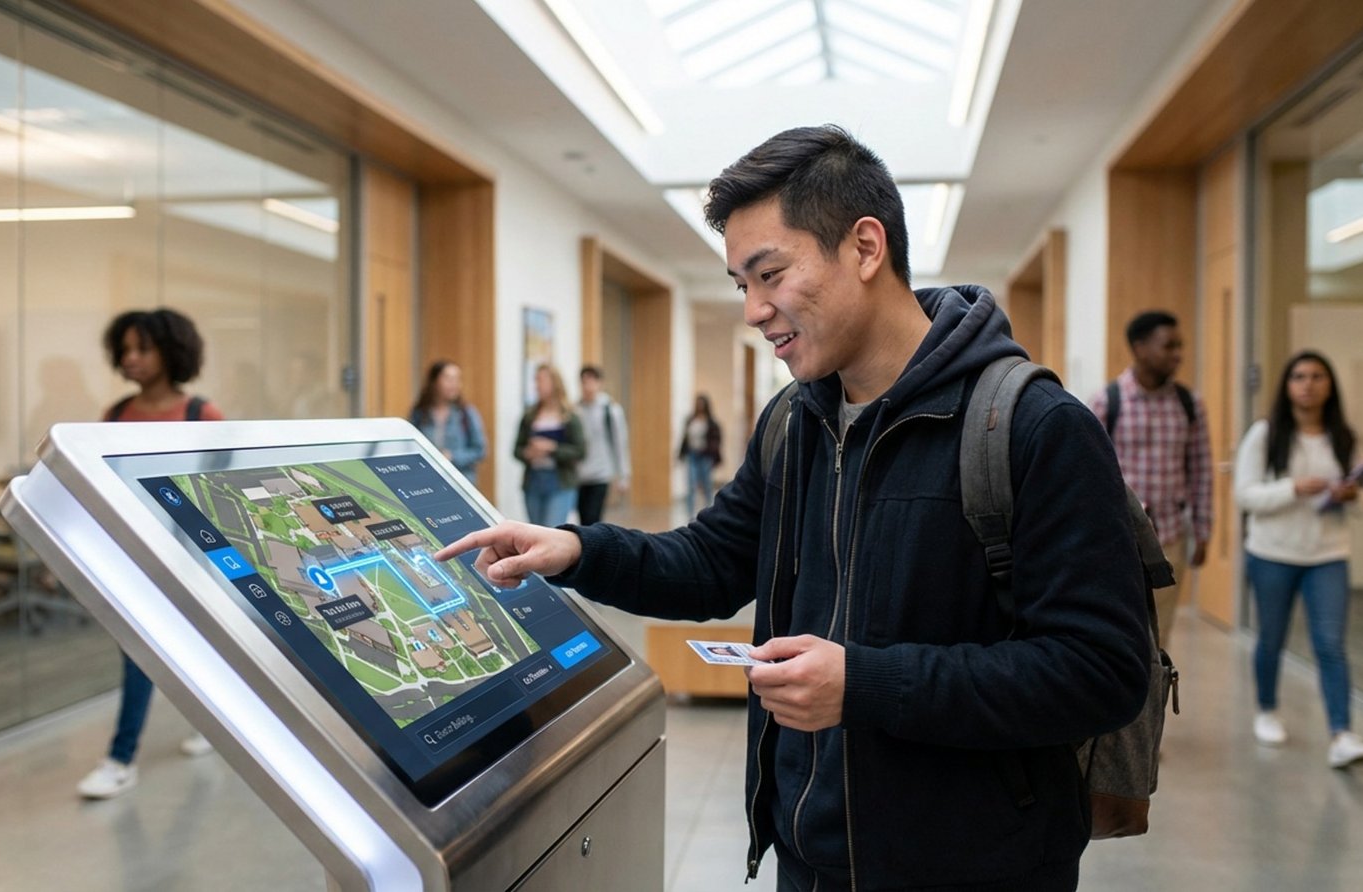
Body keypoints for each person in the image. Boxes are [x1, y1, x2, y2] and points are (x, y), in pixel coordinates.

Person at [438, 125, 1149, 890]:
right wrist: (577, 551)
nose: (752, 310)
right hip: (810, 857)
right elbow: (712, 563)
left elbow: (1100, 669)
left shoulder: (1032, 427)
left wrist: (866, 686)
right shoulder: (797, 423)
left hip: (974, 866)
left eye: (768, 274)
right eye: (741, 285)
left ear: (865, 248)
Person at [77, 308, 223, 801]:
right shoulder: (116, 416)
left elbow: (220, 489)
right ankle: (121, 758)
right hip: (133, 558)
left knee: (195, 649)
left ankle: (205, 724)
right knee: (138, 653)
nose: (131, 359)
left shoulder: (201, 415)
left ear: (170, 352)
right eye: (125, 350)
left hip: (188, 558)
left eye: (143, 348)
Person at [1234, 351, 1363, 769]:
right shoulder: (1265, 434)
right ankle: (1267, 709)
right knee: (1272, 638)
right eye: (1299, 376)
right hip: (1272, 554)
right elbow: (1245, 495)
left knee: (1331, 644)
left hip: (1328, 556)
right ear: (1287, 385)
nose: (1308, 383)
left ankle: (1342, 733)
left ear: (1330, 384)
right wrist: (1294, 488)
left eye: (1317, 376)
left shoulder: (1346, 436)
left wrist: (1353, 495)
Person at [1088, 310, 1214, 647]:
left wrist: (1202, 530)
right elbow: (1089, 471)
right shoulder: (1106, 401)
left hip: (1170, 537)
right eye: (1169, 345)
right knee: (1120, 632)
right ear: (1140, 347)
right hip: (1119, 537)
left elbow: (1201, 469)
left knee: (1159, 638)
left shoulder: (1190, 404)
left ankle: (1152, 698)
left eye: (1180, 345)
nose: (1178, 354)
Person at [514, 364, 586, 527]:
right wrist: (528, 453)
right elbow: (517, 449)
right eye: (536, 380)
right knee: (535, 531)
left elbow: (580, 451)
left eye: (542, 380)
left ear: (555, 383)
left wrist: (552, 448)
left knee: (552, 530)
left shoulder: (569, 416)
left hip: (560, 482)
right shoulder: (529, 416)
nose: (537, 385)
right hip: (533, 482)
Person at [409, 359, 488, 486]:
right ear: (434, 382)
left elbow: (480, 450)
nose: (454, 384)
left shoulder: (466, 413)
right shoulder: (420, 413)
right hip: (428, 481)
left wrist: (452, 456)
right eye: (448, 379)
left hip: (461, 482)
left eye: (457, 379)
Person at [574, 365, 630, 525]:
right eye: (584, 382)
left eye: (592, 381)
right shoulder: (575, 409)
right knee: (583, 519)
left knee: (593, 518)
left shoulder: (611, 410)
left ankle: (593, 548)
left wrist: (623, 475)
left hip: (601, 473)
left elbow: (620, 442)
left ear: (600, 383)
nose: (588, 386)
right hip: (579, 474)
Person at [677, 394, 722, 517]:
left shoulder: (711, 422)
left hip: (705, 456)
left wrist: (714, 456)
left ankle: (709, 513)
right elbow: (685, 438)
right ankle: (690, 514)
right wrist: (680, 453)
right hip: (692, 455)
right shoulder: (690, 420)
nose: (699, 406)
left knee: (706, 485)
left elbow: (716, 440)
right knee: (691, 485)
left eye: (701, 403)